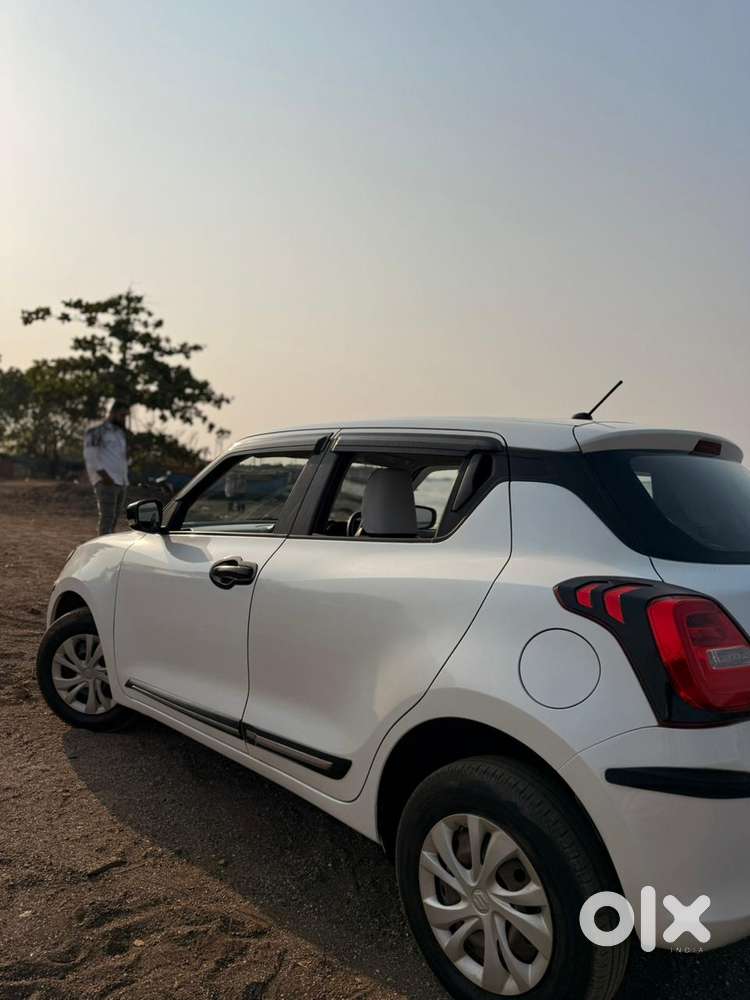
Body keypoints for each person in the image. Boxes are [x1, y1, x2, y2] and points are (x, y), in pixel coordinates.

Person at [83, 402, 129, 535]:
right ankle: (103, 548)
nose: (124, 419)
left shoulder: (120, 433)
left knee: (113, 519)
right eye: (122, 415)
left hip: (121, 481)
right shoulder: (96, 431)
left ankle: (108, 547)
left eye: (125, 416)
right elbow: (90, 456)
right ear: (112, 413)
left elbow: (120, 457)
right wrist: (104, 477)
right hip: (106, 481)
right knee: (107, 519)